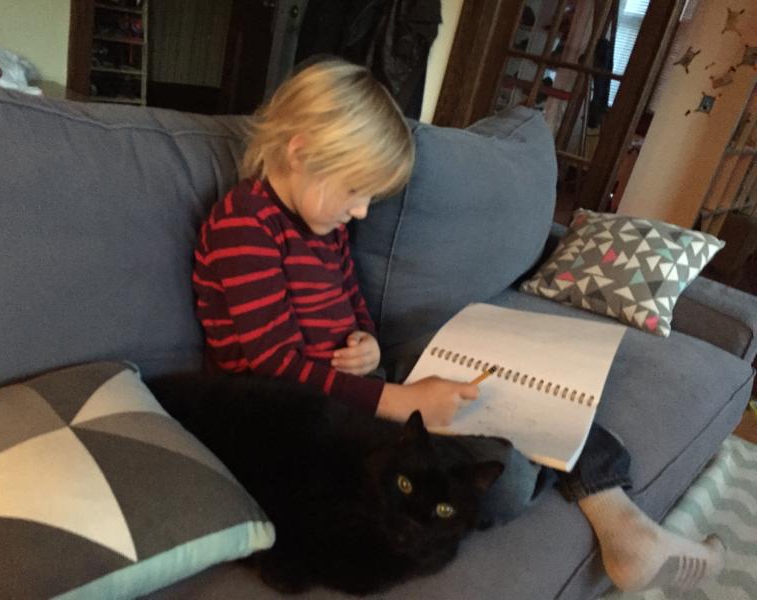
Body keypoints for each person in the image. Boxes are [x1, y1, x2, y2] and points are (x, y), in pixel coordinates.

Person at [192, 58, 725, 593]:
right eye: (355, 191)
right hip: (298, 415)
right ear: (300, 152)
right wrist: (398, 401)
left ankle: (620, 518)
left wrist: (367, 340)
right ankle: (591, 499)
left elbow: (351, 295)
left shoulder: (323, 221)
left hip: (361, 385)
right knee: (500, 479)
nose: (361, 212)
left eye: (369, 198)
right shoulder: (245, 224)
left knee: (519, 386)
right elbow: (274, 365)